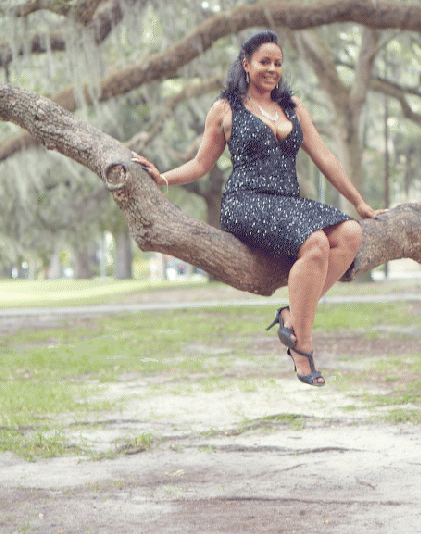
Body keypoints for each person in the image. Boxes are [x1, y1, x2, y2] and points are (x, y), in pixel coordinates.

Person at [132, 29, 385, 387]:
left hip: (288, 202)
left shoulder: (293, 107)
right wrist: (163, 178)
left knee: (351, 233)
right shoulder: (225, 108)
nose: (272, 69)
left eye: (278, 63)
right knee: (314, 244)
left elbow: (325, 157)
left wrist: (359, 201)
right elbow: (202, 163)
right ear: (246, 64)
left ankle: (290, 316)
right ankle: (303, 347)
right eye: (265, 62)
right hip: (246, 201)